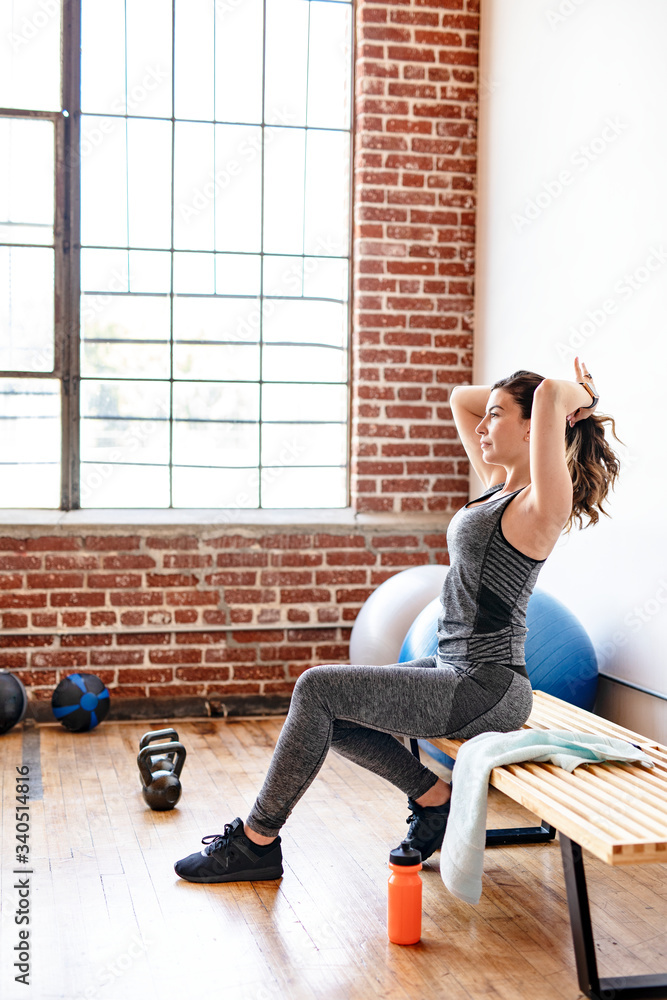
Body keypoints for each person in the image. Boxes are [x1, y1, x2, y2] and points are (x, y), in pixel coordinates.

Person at [174, 357, 620, 883]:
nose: (480, 425)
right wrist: (514, 402)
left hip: (485, 686)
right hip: (454, 667)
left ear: (531, 427)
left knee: (316, 688)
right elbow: (461, 398)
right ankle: (433, 798)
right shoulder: (500, 486)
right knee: (328, 709)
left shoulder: (539, 506)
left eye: (497, 416)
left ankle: (256, 840)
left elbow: (546, 396)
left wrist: (581, 402)